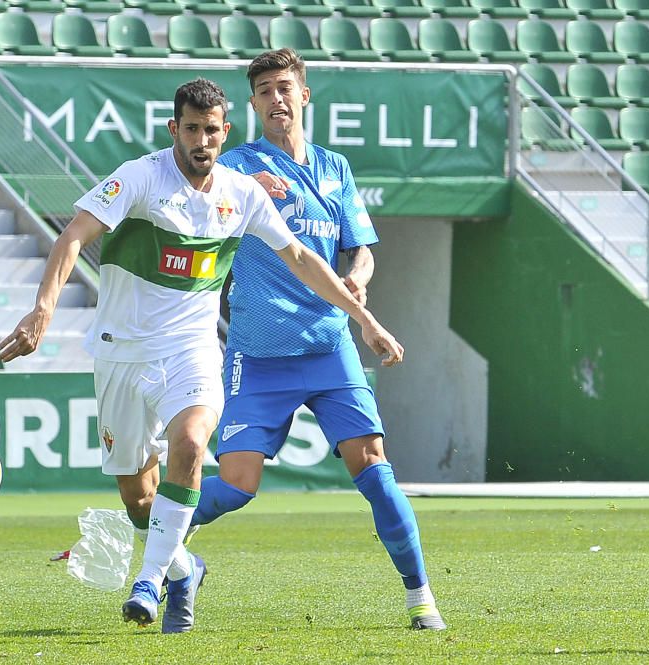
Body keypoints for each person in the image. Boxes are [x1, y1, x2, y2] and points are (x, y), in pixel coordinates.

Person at [0, 77, 404, 634]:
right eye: (191, 129)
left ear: (225, 132)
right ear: (174, 130)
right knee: (140, 500)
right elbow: (73, 236)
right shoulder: (140, 177)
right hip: (121, 354)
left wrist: (367, 321)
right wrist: (43, 309)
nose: (202, 141)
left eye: (212, 130)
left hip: (192, 350)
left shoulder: (242, 193)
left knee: (190, 442)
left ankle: (148, 582)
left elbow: (304, 259)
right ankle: (184, 569)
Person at [189, 49, 447, 631]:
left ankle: (420, 596)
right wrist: (231, 186)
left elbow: (362, 246)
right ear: (252, 105)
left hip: (330, 344)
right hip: (258, 353)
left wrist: (358, 275)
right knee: (236, 485)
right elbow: (196, 203)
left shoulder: (336, 168)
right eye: (264, 91)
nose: (276, 98)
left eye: (285, 87)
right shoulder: (233, 166)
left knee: (373, 464)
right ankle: (160, 533)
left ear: (304, 95)